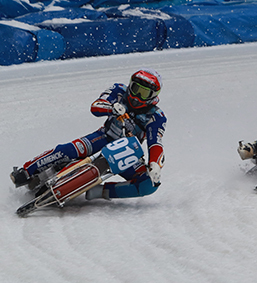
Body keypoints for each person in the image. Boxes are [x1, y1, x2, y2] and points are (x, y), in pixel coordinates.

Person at [10, 69, 167, 200]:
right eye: (135, 88)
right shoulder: (119, 90)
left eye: (144, 93)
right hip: (104, 137)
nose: (136, 96)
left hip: (127, 153)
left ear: (153, 96)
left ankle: (100, 191)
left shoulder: (156, 116)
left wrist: (155, 165)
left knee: (149, 184)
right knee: (68, 150)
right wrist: (112, 108)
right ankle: (26, 171)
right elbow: (96, 106)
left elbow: (155, 143)